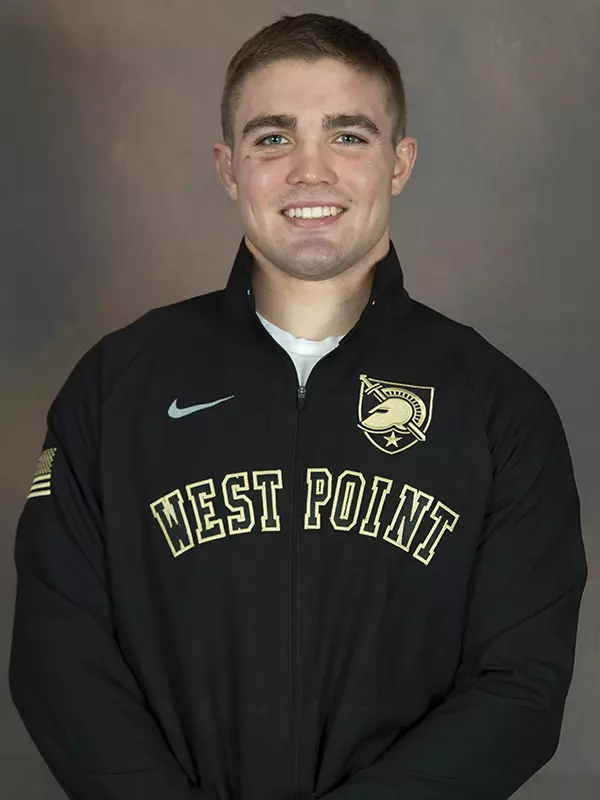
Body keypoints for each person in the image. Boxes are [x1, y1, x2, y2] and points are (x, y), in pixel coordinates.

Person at [9, 12, 587, 800]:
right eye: (273, 139)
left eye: (348, 136)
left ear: (400, 162)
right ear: (227, 167)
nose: (309, 172)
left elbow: (520, 685)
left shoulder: (500, 409)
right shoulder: (118, 385)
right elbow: (58, 655)